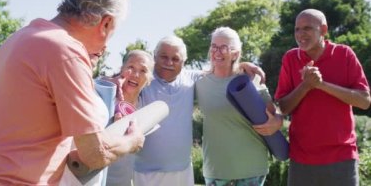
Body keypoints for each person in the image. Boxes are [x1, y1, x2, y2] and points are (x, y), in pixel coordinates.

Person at [0, 0, 144, 185]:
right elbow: (94, 153)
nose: (106, 46)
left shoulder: (19, 38)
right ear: (106, 23)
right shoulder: (66, 51)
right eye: (112, 33)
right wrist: (130, 142)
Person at [131, 35, 266, 186]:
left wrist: (243, 65)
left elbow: (222, 69)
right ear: (155, 56)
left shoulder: (193, 78)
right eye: (163, 57)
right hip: (146, 172)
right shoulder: (142, 80)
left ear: (184, 62)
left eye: (175, 59)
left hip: (183, 171)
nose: (169, 63)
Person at [274, 9, 371, 186]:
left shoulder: (345, 54)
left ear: (324, 30)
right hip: (301, 160)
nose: (300, 34)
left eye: (307, 28)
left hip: (342, 158)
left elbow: (364, 101)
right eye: (297, 29)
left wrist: (322, 85)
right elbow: (283, 107)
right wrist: (306, 85)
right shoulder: (290, 58)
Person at [195, 27, 283, 186]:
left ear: (235, 54)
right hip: (216, 172)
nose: (217, 52)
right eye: (214, 46)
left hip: (251, 169)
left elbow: (271, 114)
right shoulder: (199, 83)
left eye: (223, 47)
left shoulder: (250, 80)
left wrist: (278, 119)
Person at [105, 50, 154, 186]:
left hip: (122, 181)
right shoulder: (104, 96)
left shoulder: (146, 108)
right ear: (122, 69)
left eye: (143, 70)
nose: (136, 75)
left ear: (149, 79)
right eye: (131, 67)